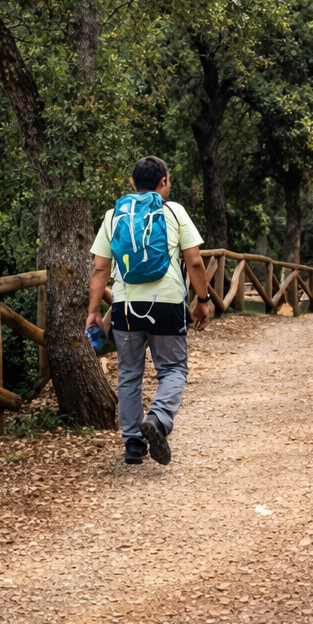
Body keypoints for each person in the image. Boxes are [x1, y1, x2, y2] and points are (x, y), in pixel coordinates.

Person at [87, 156, 211, 465]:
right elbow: (195, 261)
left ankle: (132, 444)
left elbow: (99, 269)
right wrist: (203, 299)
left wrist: (92, 312)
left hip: (126, 308)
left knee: (129, 374)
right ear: (164, 182)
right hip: (166, 304)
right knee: (173, 369)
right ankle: (156, 419)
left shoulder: (113, 215)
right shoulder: (174, 211)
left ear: (132, 183)